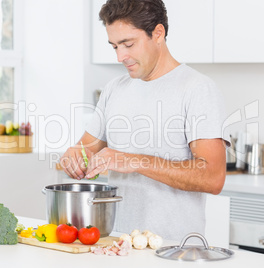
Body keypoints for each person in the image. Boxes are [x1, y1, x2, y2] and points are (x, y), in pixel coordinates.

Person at [60, 0, 229, 240]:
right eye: (114, 46)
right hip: (117, 244)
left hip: (174, 251)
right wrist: (74, 156)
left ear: (158, 33)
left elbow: (213, 178)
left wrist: (133, 161)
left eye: (128, 44)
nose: (120, 56)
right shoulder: (114, 89)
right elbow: (85, 150)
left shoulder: (197, 89)